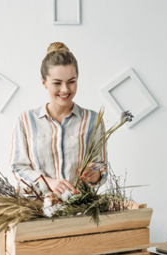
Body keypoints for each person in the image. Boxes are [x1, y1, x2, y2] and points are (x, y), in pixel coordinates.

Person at [9, 42, 107, 196]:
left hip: (81, 211)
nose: (65, 89)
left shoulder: (93, 120)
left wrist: (95, 173)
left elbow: (101, 165)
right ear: (44, 82)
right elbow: (18, 167)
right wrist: (47, 182)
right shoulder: (26, 120)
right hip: (38, 211)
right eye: (57, 83)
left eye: (71, 82)